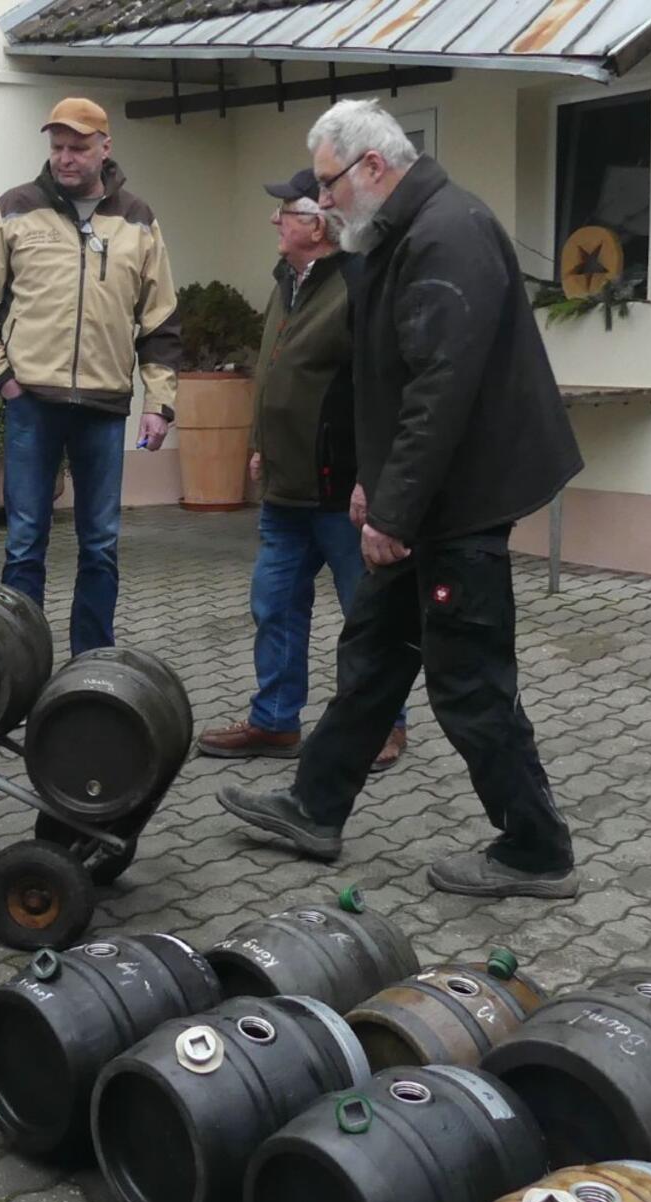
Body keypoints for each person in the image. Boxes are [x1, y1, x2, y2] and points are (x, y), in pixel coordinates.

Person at [216, 100, 584, 900]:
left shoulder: (445, 234)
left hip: (463, 500)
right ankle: (316, 807)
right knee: (375, 656)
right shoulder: (396, 232)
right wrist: (369, 478)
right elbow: (390, 380)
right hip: (424, 491)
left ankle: (536, 848)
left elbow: (440, 393)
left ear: (372, 167)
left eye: (327, 184)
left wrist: (393, 510)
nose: (321, 202)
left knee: (468, 680)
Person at [196, 169, 407, 774]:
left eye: (285, 211)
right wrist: (262, 442)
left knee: (365, 616)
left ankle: (383, 725)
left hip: (344, 493)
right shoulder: (289, 280)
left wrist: (372, 476)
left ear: (317, 224)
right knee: (274, 604)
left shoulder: (361, 284)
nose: (274, 220)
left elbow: (379, 389)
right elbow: (274, 367)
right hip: (287, 489)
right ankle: (274, 721)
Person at [0, 97, 182, 655]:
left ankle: (93, 663)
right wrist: (3, 379)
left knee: (101, 544)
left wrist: (158, 401)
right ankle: (20, 661)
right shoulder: (14, 209)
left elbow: (161, 321)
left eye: (78, 147)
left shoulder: (138, 220)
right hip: (33, 402)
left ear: (105, 148)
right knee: (25, 542)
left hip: (105, 407)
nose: (65, 157)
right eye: (57, 147)